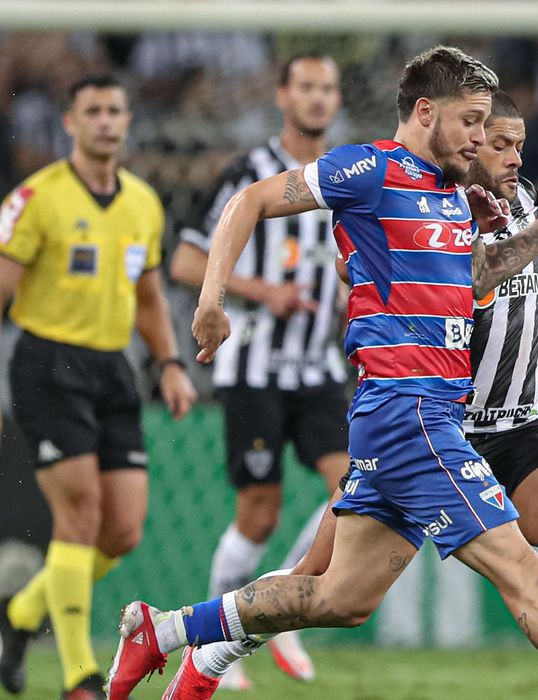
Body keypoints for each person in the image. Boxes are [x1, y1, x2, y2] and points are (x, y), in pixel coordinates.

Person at [105, 46, 538, 700]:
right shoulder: (371, 171)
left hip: (445, 417)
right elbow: (255, 202)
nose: (486, 140)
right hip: (411, 412)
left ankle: (164, 631)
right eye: (476, 124)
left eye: (497, 131)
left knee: (339, 598)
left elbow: (479, 273)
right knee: (526, 577)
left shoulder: (458, 197)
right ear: (426, 113)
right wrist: (212, 300)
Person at [0, 74, 197, 700]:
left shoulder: (142, 202)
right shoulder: (37, 198)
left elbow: (148, 297)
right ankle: (79, 676)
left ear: (128, 120)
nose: (106, 121)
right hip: (46, 364)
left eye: (115, 110)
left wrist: (170, 363)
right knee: (79, 511)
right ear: (70, 123)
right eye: (93, 111)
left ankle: (21, 613)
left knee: (122, 530)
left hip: (113, 366)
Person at [168, 52, 350, 687]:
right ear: (282, 95)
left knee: (353, 490)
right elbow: (185, 263)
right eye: (306, 86)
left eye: (327, 87)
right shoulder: (248, 173)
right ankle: (213, 637)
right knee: (260, 512)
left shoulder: (348, 174)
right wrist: (260, 291)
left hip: (318, 367)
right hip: (254, 366)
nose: (318, 97)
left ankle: (282, 601)